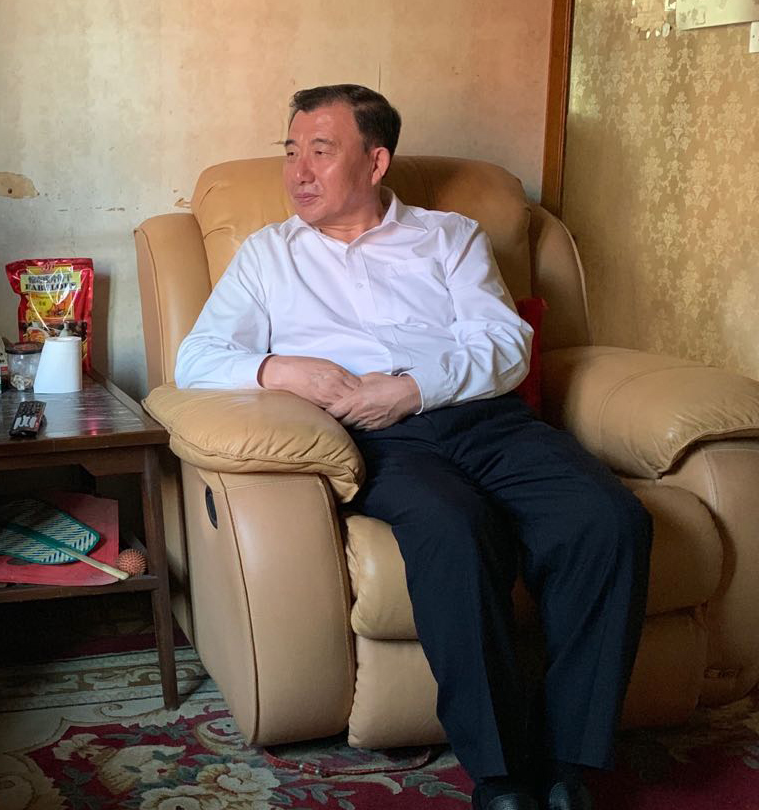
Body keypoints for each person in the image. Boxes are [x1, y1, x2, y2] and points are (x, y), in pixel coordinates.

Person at [175, 84, 650, 810]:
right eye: (291, 151)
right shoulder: (268, 256)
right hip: (378, 443)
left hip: (487, 421)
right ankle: (500, 775)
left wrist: (413, 387)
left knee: (608, 520)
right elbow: (197, 358)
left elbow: (504, 343)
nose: (298, 171)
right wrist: (282, 370)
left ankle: (568, 764)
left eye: (320, 151)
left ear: (375, 162)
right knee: (454, 529)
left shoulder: (450, 236)